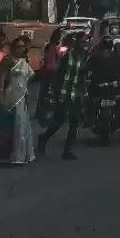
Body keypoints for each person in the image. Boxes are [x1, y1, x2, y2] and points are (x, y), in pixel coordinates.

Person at [37, 32, 88, 161]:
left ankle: (67, 150)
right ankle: (43, 139)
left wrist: (82, 93)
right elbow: (57, 75)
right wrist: (54, 92)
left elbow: (82, 77)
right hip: (63, 94)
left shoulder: (83, 57)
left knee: (74, 123)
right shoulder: (66, 57)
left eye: (84, 42)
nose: (83, 45)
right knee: (58, 122)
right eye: (81, 42)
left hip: (75, 95)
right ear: (75, 43)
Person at [0, 35, 35, 165]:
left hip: (21, 97)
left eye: (23, 47)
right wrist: (1, 96)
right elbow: (1, 78)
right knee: (9, 126)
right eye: (18, 47)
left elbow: (29, 77)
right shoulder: (8, 60)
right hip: (10, 96)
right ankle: (6, 154)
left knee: (21, 125)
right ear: (13, 48)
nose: (21, 49)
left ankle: (21, 154)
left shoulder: (23, 61)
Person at [35, 28, 65, 128]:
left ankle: (43, 113)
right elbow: (47, 59)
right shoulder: (52, 47)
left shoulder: (53, 46)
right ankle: (43, 113)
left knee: (46, 92)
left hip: (51, 72)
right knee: (46, 93)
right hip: (50, 72)